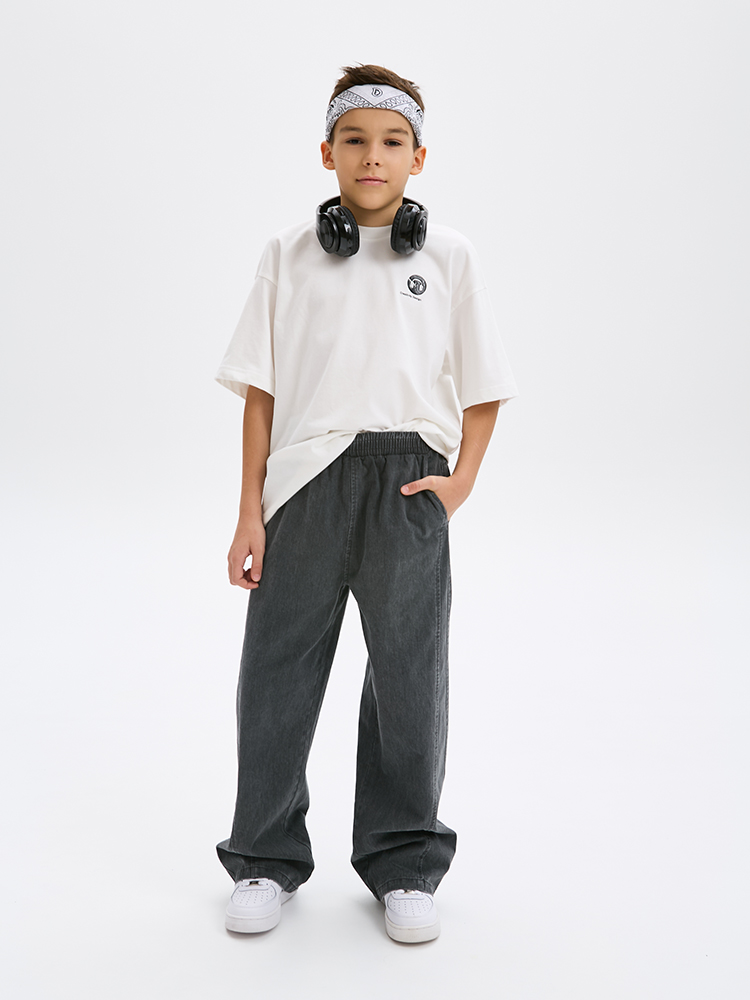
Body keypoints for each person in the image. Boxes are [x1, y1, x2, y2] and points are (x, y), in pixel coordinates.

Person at [214, 63, 520, 944]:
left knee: (410, 678)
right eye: (354, 140)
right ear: (328, 153)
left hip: (408, 480)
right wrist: (249, 511)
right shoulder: (287, 254)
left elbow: (485, 385)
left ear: (418, 158)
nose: (372, 156)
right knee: (276, 673)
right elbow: (261, 392)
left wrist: (460, 481)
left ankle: (405, 863)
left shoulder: (449, 256)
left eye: (392, 141)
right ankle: (264, 856)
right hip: (305, 483)